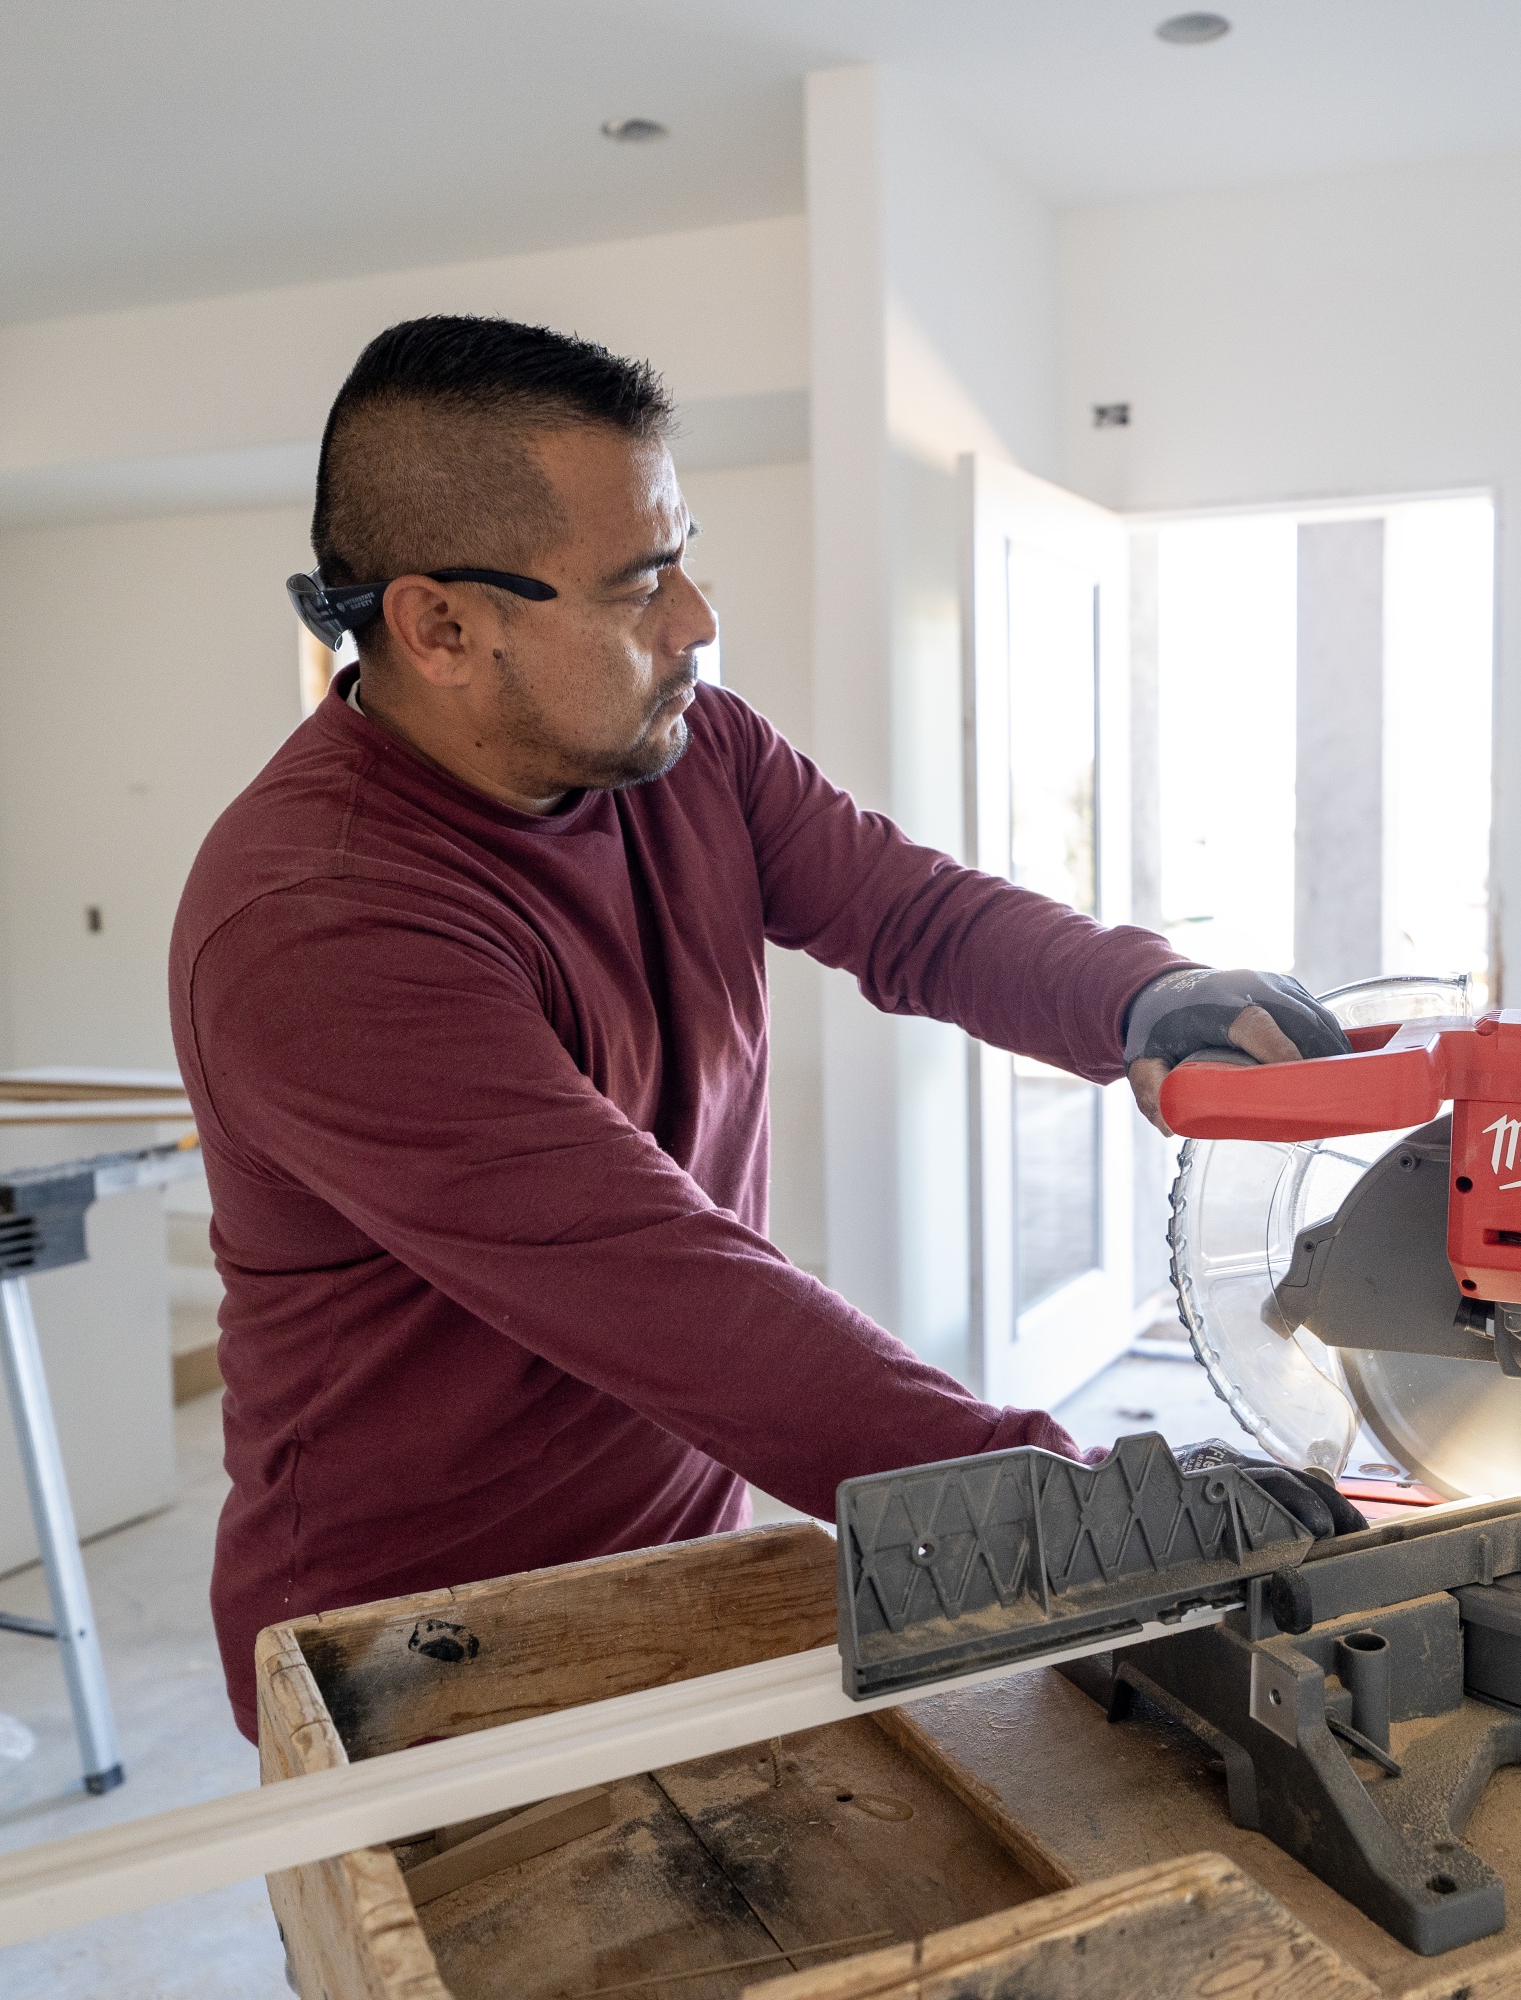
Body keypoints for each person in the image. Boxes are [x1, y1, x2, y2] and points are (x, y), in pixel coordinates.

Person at [171, 316, 1351, 1740]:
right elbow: (672, 1292)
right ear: (440, 625)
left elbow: (915, 915)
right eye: (636, 586)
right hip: (416, 1653)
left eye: (681, 556)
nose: (696, 621)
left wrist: (1141, 996)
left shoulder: (683, 755)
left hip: (683, 1557)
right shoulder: (321, 924)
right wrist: (1080, 1502)